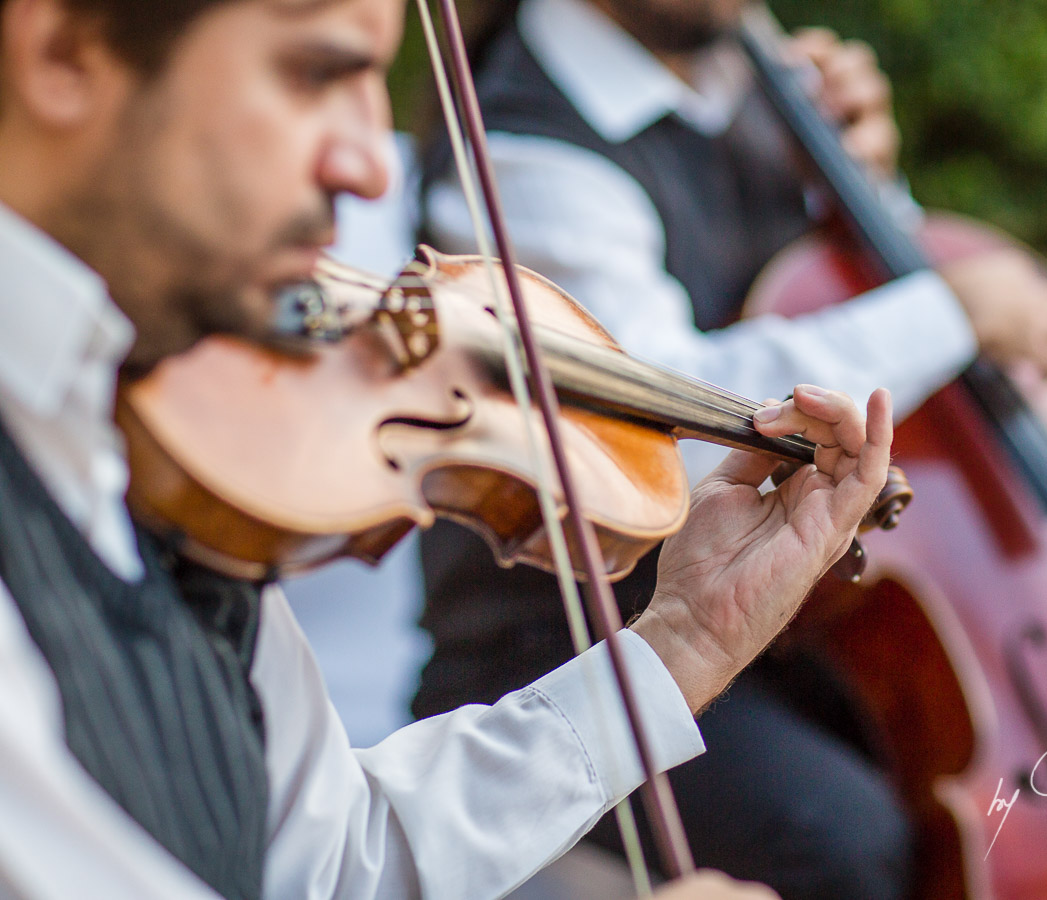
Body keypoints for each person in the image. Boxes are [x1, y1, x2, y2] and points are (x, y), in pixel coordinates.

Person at [0, 0, 893, 896]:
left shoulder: (149, 433)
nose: (369, 169)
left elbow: (339, 862)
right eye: (316, 72)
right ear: (62, 52)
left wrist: (684, 643)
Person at [416, 0, 1047, 896]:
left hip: (797, 618)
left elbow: (821, 301)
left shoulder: (757, 79)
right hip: (575, 638)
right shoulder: (525, 146)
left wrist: (865, 192)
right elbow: (659, 441)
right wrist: (949, 313)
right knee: (844, 836)